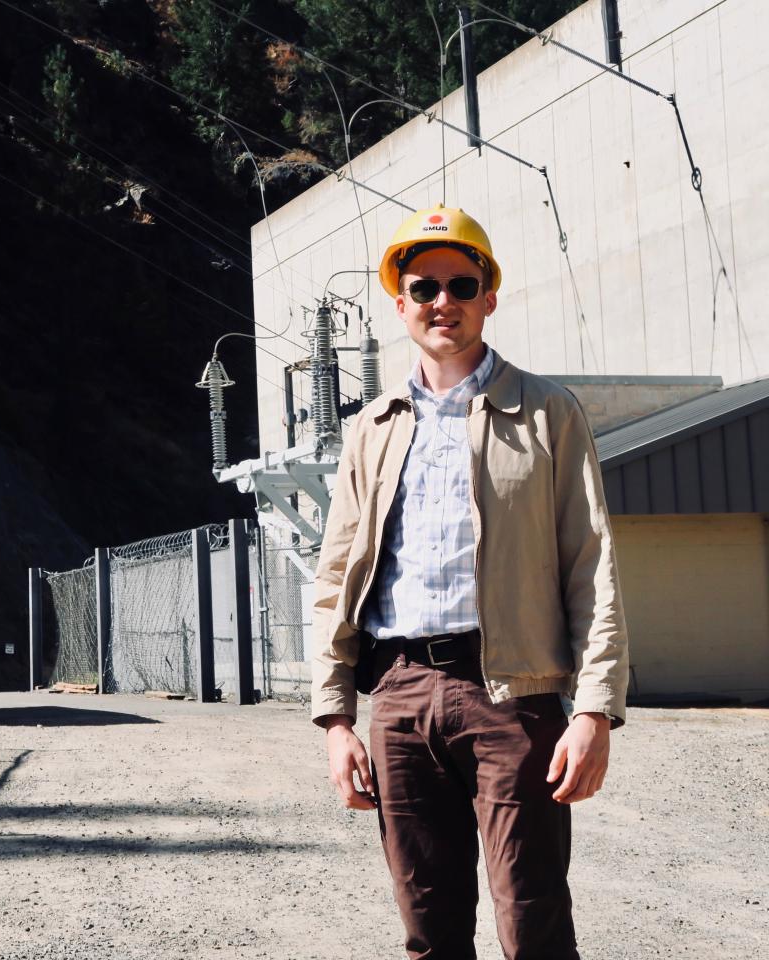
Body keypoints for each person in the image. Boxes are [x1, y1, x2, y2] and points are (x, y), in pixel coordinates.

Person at [310, 205, 629, 960]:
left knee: (534, 924)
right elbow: (335, 577)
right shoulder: (373, 427)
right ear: (401, 305)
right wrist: (335, 719)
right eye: (424, 287)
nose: (441, 301)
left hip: (513, 699)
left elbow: (593, 566)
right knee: (429, 930)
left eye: (461, 283)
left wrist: (593, 712)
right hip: (398, 695)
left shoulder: (548, 413)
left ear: (490, 295)